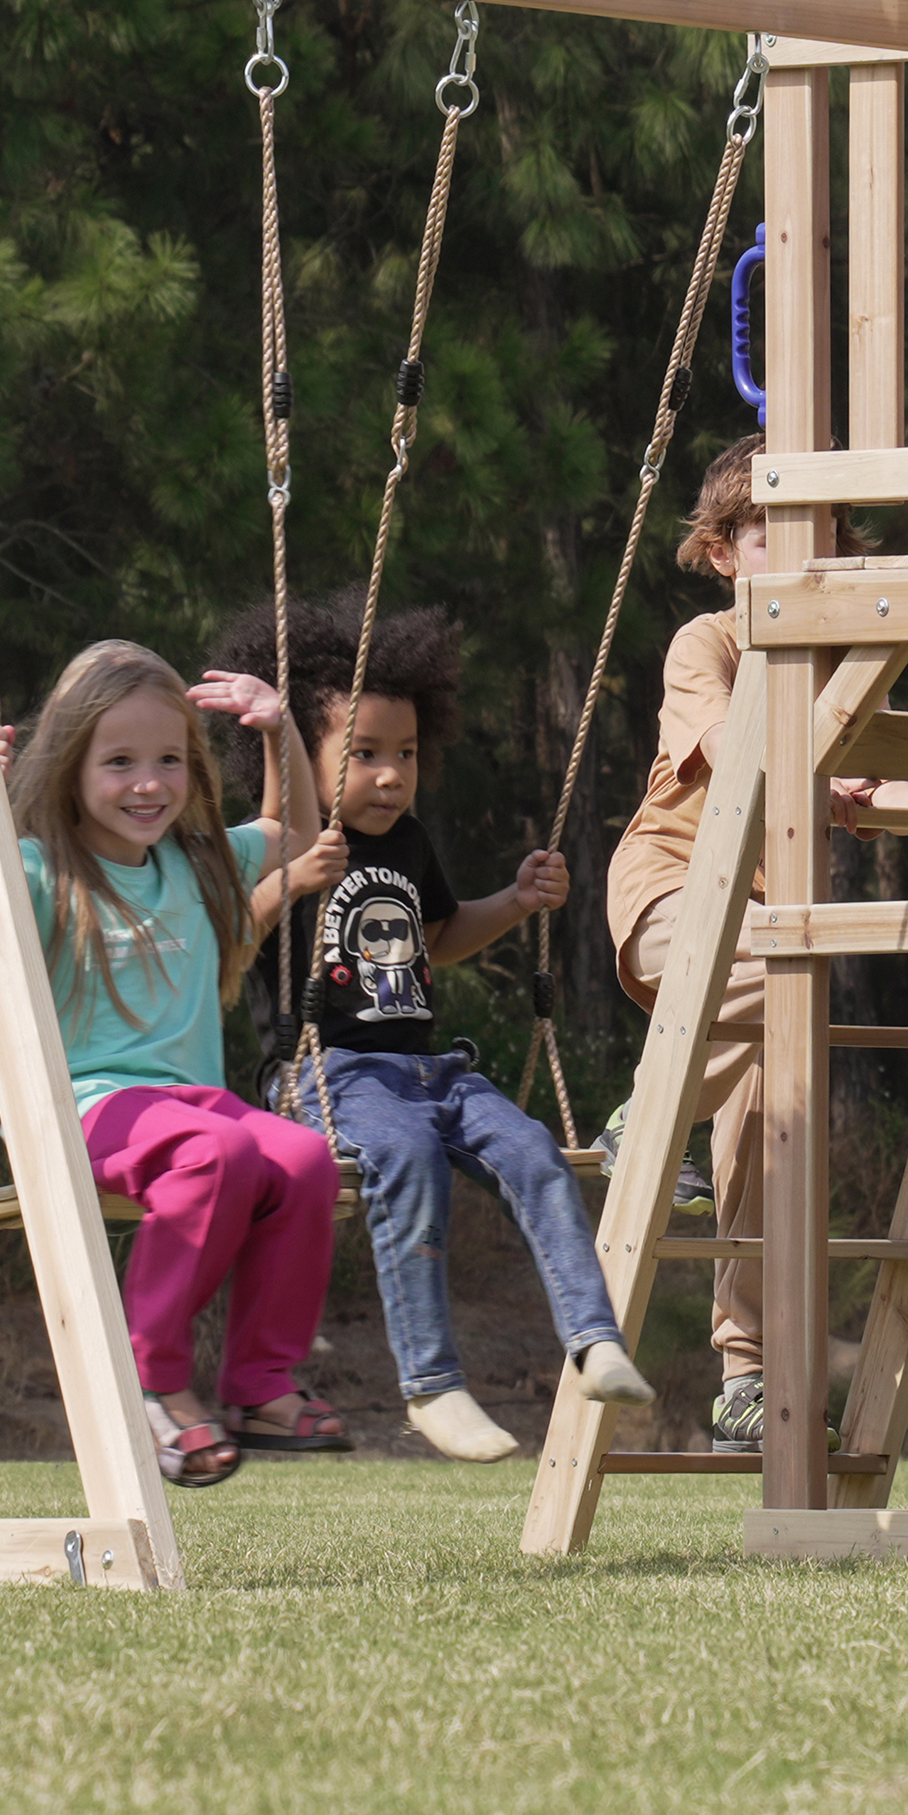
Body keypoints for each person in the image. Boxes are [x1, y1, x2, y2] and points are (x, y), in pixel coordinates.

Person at [600, 436, 908, 1451]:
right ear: (723, 553)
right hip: (674, 899)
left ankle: (749, 1373)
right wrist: (829, 777)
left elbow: (863, 790)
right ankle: (651, 1109)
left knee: (770, 1124)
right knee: (775, 977)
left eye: (810, 534)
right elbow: (739, 747)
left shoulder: (833, 671)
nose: (787, 553)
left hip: (770, 936)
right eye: (763, 533)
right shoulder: (710, 644)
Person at [213, 594, 659, 1463]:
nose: (391, 775)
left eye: (406, 754)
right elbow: (237, 941)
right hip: (329, 1073)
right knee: (411, 1166)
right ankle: (431, 1386)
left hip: (428, 1069)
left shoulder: (409, 842)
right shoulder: (294, 843)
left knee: (532, 1149)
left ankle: (595, 1340)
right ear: (310, 760)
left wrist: (515, 900)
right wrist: (296, 879)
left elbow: (442, 938)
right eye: (366, 754)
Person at [0, 637, 350, 1490]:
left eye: (167, 760)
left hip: (189, 1105)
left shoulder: (195, 867)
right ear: (70, 765)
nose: (148, 783)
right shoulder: (40, 868)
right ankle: (150, 1377)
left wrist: (279, 738)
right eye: (119, 762)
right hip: (81, 1108)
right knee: (219, 1151)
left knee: (305, 1159)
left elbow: (296, 831)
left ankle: (259, 1384)